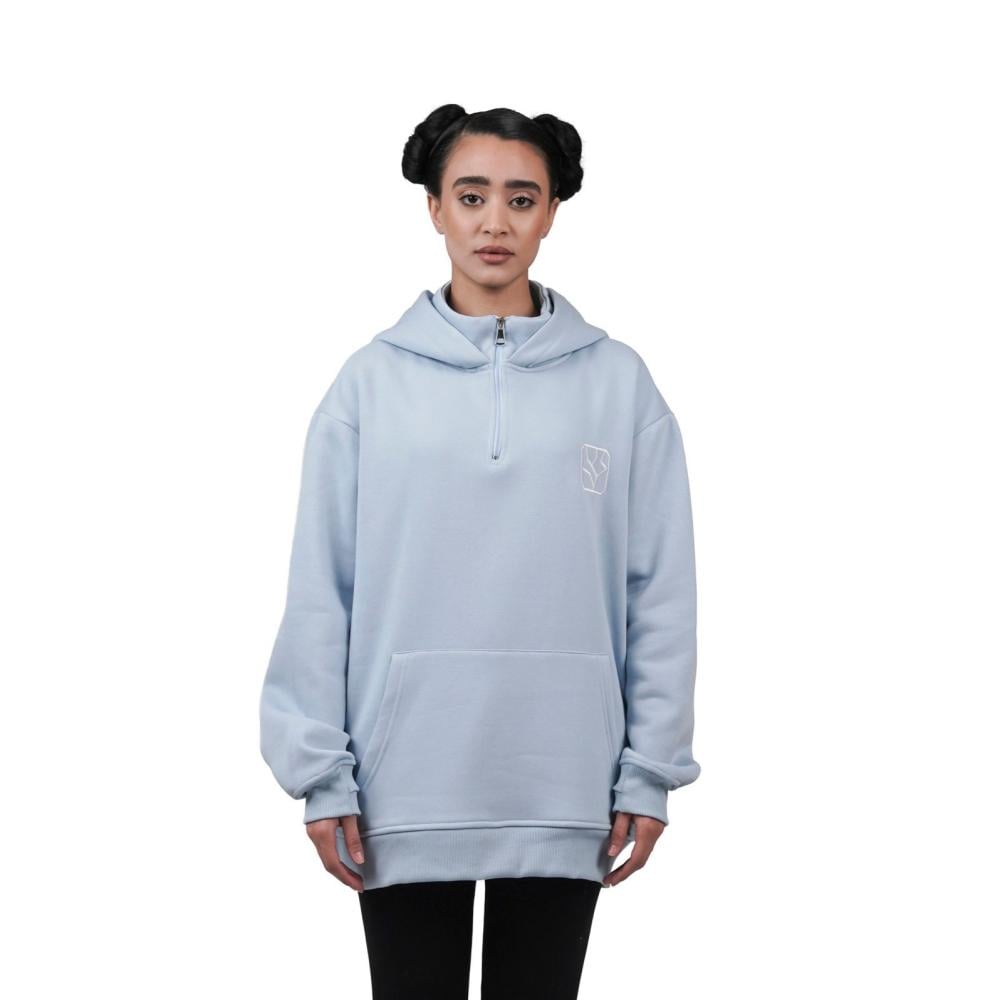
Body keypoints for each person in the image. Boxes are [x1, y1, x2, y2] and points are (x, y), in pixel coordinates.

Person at [259, 103, 701, 999]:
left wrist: (649, 771)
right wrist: (319, 770)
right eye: (470, 196)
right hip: (402, 790)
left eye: (521, 198)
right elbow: (321, 586)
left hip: (565, 785)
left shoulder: (620, 385)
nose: (495, 221)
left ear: (552, 213)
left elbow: (659, 590)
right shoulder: (368, 384)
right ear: (434, 208)